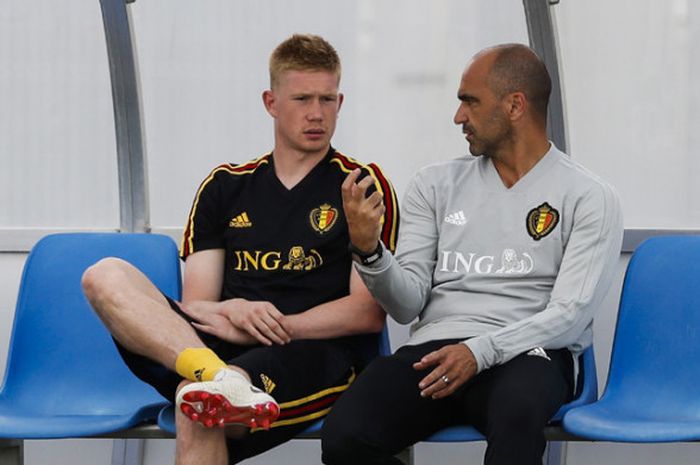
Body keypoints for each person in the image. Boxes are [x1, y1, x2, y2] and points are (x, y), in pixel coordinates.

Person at [82, 33, 398, 465]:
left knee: (199, 406)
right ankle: (216, 378)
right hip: (209, 350)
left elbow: (365, 312)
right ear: (271, 102)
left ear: (340, 103)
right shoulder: (225, 186)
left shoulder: (359, 185)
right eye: (302, 98)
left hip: (310, 354)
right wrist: (234, 312)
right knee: (104, 274)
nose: (316, 113)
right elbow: (199, 306)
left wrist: (272, 324)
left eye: (327, 100)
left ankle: (218, 384)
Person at [322, 43, 623, 465]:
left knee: (518, 416)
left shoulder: (589, 196)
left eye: (470, 101)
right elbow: (407, 305)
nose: (458, 116)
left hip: (529, 352)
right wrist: (370, 251)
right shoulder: (434, 184)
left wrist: (479, 352)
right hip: (437, 350)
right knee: (346, 436)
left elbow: (569, 315)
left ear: (515, 105)